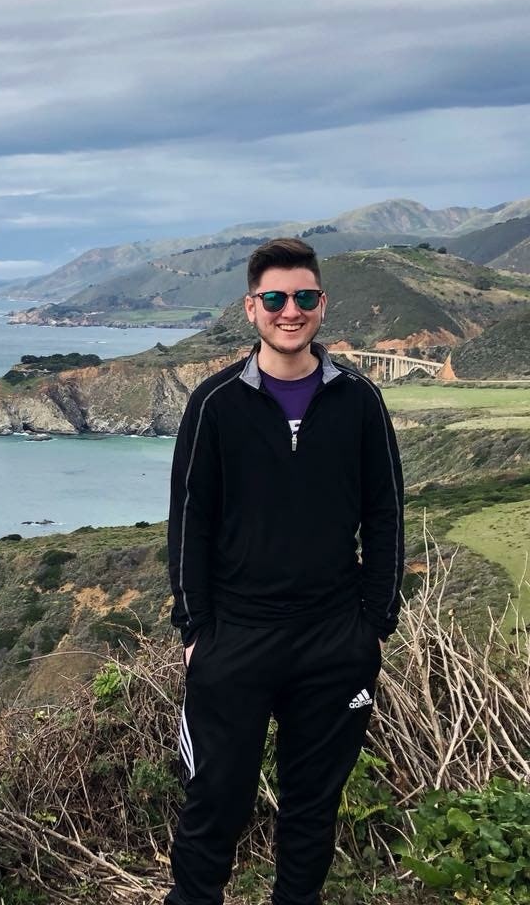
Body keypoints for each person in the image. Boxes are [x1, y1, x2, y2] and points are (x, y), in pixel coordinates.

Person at [165, 237, 404, 905]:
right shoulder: (215, 403)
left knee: (312, 807)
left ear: (322, 304)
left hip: (334, 639)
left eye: (303, 297)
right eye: (274, 298)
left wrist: (374, 626)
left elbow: (386, 513)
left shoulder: (359, 400)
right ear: (252, 308)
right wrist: (196, 630)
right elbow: (189, 521)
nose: (289, 310)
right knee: (215, 800)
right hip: (236, 637)